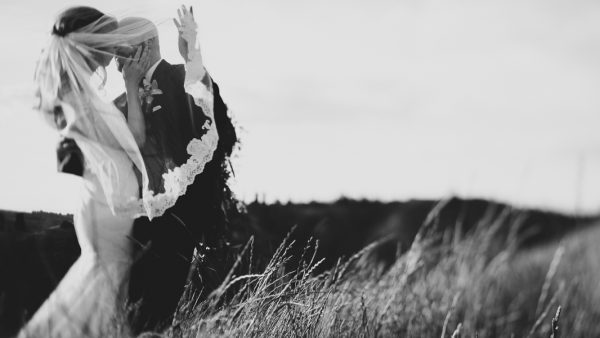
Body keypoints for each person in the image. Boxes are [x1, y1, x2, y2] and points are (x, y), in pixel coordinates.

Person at [22, 5, 233, 337]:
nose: (114, 57)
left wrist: (192, 55)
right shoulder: (121, 101)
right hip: (135, 227)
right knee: (134, 319)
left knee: (153, 315)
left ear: (142, 47)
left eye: (121, 48)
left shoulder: (184, 77)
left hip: (179, 224)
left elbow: (218, 126)